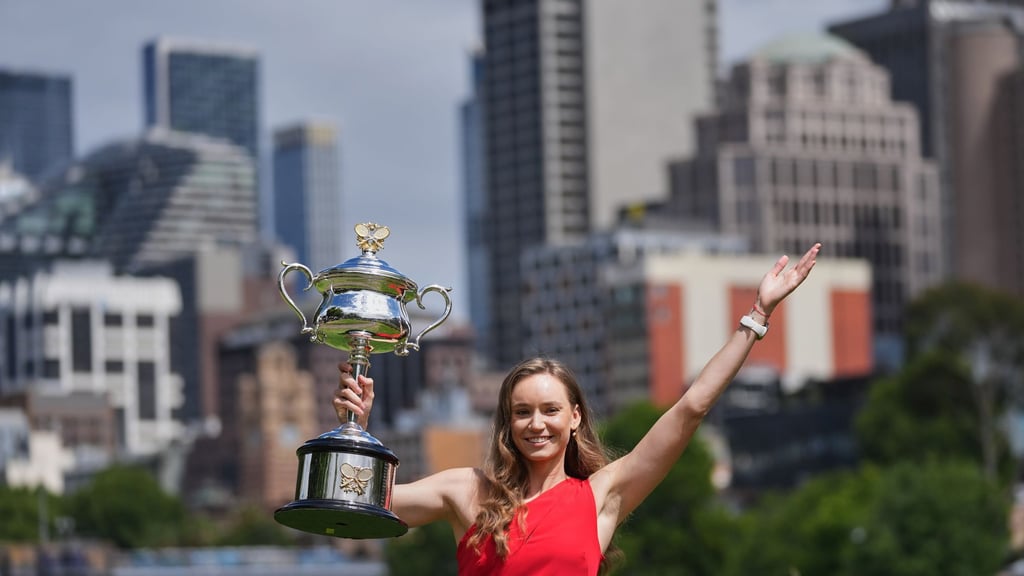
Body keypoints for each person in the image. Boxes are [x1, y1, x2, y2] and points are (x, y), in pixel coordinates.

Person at [334, 243, 821, 575]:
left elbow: (691, 406)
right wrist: (357, 430)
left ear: (575, 417)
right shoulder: (467, 490)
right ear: (507, 422)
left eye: (550, 409)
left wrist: (757, 316)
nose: (536, 423)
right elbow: (361, 505)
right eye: (522, 412)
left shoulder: (601, 496)